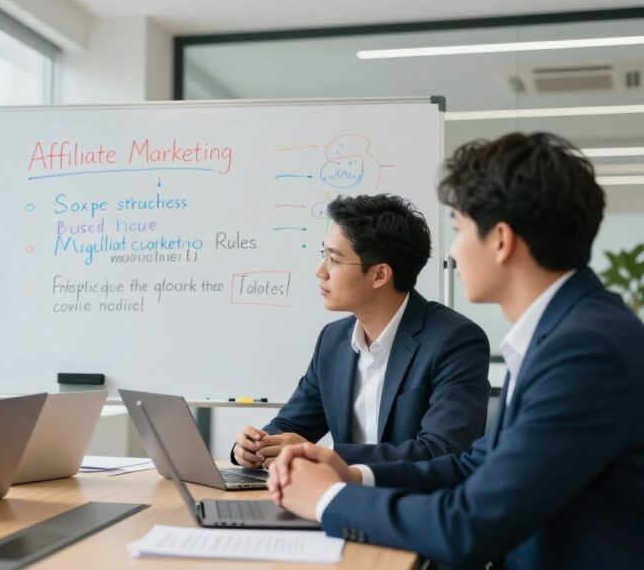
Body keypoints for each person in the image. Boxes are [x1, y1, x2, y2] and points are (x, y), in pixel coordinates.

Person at [268, 132, 644, 569]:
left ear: (501, 240)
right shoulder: (565, 332)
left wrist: (328, 500)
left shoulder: (584, 351)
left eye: (461, 228)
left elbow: (467, 526)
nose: (452, 249)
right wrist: (352, 474)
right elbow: (471, 467)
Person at [233, 194, 489, 467]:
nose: (320, 271)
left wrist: (328, 457)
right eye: (324, 255)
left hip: (415, 504)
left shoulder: (454, 340)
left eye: (334, 259)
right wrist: (255, 445)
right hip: (339, 501)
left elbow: (442, 451)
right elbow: (291, 424)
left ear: (380, 275)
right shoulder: (333, 340)